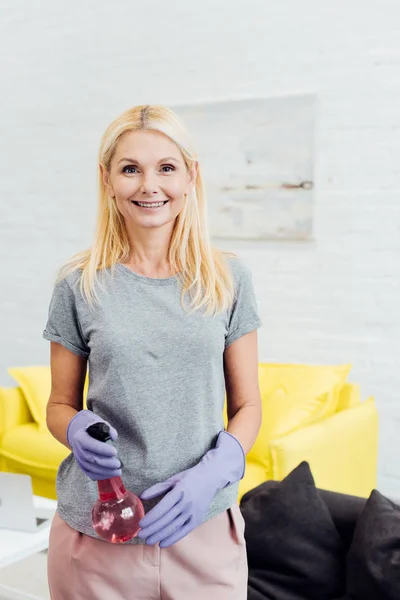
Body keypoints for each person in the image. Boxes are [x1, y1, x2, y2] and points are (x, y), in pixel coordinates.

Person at [43, 104, 263, 600]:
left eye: (166, 167)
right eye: (130, 169)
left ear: (191, 176)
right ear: (107, 180)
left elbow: (248, 406)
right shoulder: (78, 285)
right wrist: (73, 428)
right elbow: (60, 405)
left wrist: (217, 470)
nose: (149, 185)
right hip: (97, 533)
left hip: (203, 530)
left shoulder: (228, 280)